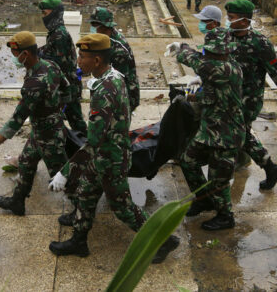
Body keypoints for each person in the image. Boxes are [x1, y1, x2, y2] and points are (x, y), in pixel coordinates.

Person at [48, 33, 180, 263]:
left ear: (97, 61)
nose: (78, 61)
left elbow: (93, 142)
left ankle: (164, 240)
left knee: (124, 209)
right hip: (103, 155)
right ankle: (79, 240)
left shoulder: (106, 90)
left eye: (82, 57)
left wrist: (65, 172)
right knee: (86, 194)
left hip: (110, 158)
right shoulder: (110, 76)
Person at [208, 0, 277, 191]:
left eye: (231, 18)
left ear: (243, 20)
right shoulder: (226, 37)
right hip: (228, 98)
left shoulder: (260, 43)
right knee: (242, 135)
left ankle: (235, 171)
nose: (227, 20)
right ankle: (269, 168)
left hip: (248, 100)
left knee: (238, 135)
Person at [0, 31, 77, 217]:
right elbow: (67, 88)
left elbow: (17, 119)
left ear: (26, 54)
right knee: (26, 162)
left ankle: (82, 211)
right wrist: (55, 109)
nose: (14, 58)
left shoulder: (34, 84)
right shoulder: (50, 65)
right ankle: (17, 201)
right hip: (42, 129)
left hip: (49, 136)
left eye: (16, 54)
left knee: (62, 175)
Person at [165, 34, 244, 230]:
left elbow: (191, 58)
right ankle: (204, 199)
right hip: (210, 129)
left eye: (210, 52)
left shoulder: (216, 68)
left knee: (219, 179)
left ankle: (226, 217)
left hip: (226, 134)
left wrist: (181, 46)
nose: (207, 54)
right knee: (187, 160)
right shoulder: (222, 65)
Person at [38, 0, 87, 135]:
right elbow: (49, 51)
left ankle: (87, 148)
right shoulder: (55, 32)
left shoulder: (59, 34)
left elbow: (57, 62)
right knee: (72, 119)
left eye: (45, 13)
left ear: (54, 13)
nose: (43, 17)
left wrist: (38, 57)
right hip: (65, 85)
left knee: (76, 121)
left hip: (67, 86)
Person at [88, 7, 140, 111]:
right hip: (109, 92)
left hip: (121, 97)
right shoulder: (104, 39)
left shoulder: (118, 50)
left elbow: (118, 83)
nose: (92, 28)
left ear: (105, 26)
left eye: (95, 25)